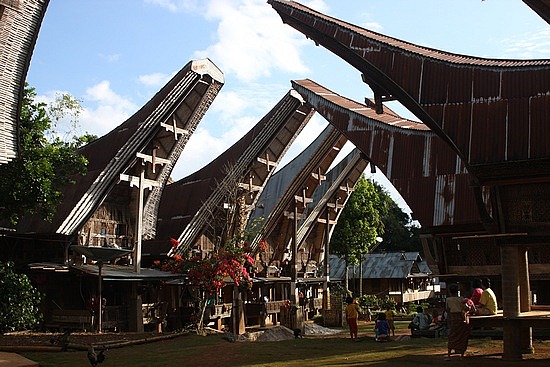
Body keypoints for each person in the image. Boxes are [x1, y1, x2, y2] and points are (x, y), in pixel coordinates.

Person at [445, 283, 472, 360]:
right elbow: (466, 308)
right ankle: (461, 355)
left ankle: (449, 355)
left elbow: (447, 309)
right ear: (457, 291)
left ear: (450, 292)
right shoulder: (461, 299)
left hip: (453, 319)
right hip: (461, 318)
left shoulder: (448, 300)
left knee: (452, 336)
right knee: (463, 336)